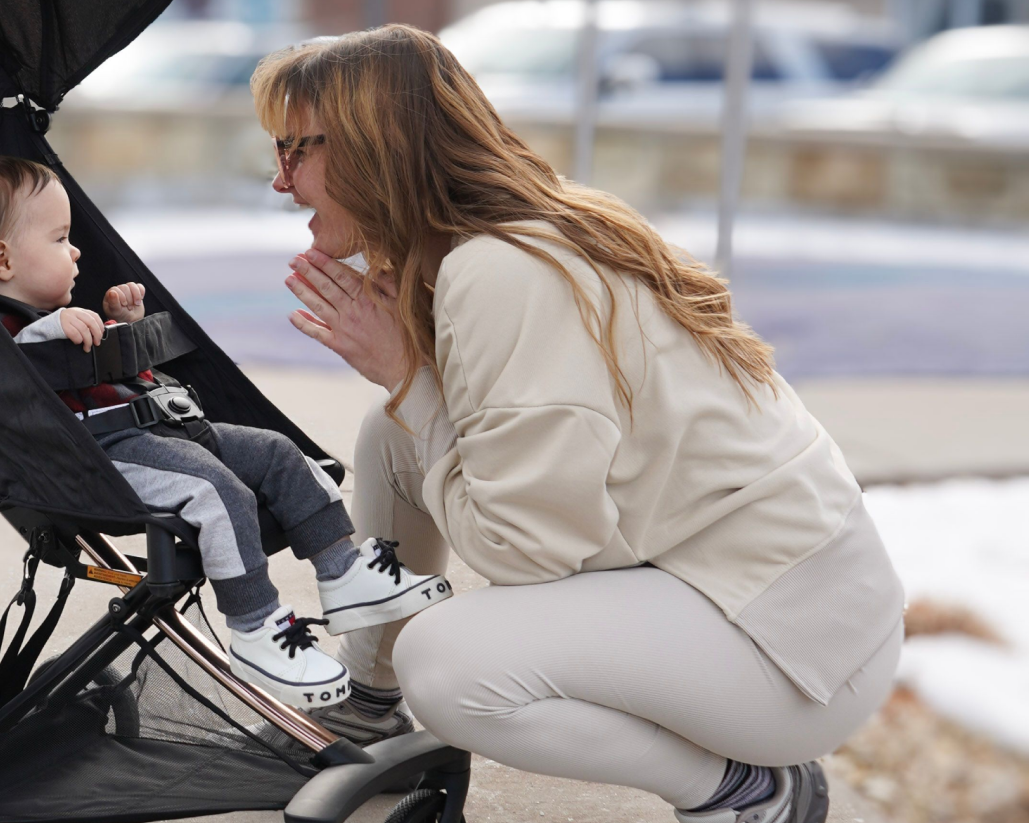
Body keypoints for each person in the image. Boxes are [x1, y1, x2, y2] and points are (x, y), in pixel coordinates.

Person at [254, 25, 905, 823]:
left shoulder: (503, 271)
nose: (280, 182)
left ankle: (744, 791)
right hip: (768, 593)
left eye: (296, 151)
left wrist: (406, 375)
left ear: (372, 146)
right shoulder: (500, 240)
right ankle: (367, 701)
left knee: (450, 661)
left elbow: (526, 550)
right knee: (395, 435)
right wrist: (411, 389)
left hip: (786, 647)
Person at [0, 153, 454, 710]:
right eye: (60, 239)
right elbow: (12, 377)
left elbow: (114, 378)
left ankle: (342, 570)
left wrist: (123, 329)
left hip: (164, 431)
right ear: (1, 259)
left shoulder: (61, 315)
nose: (76, 251)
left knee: (276, 452)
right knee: (218, 491)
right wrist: (54, 331)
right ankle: (255, 626)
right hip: (102, 459)